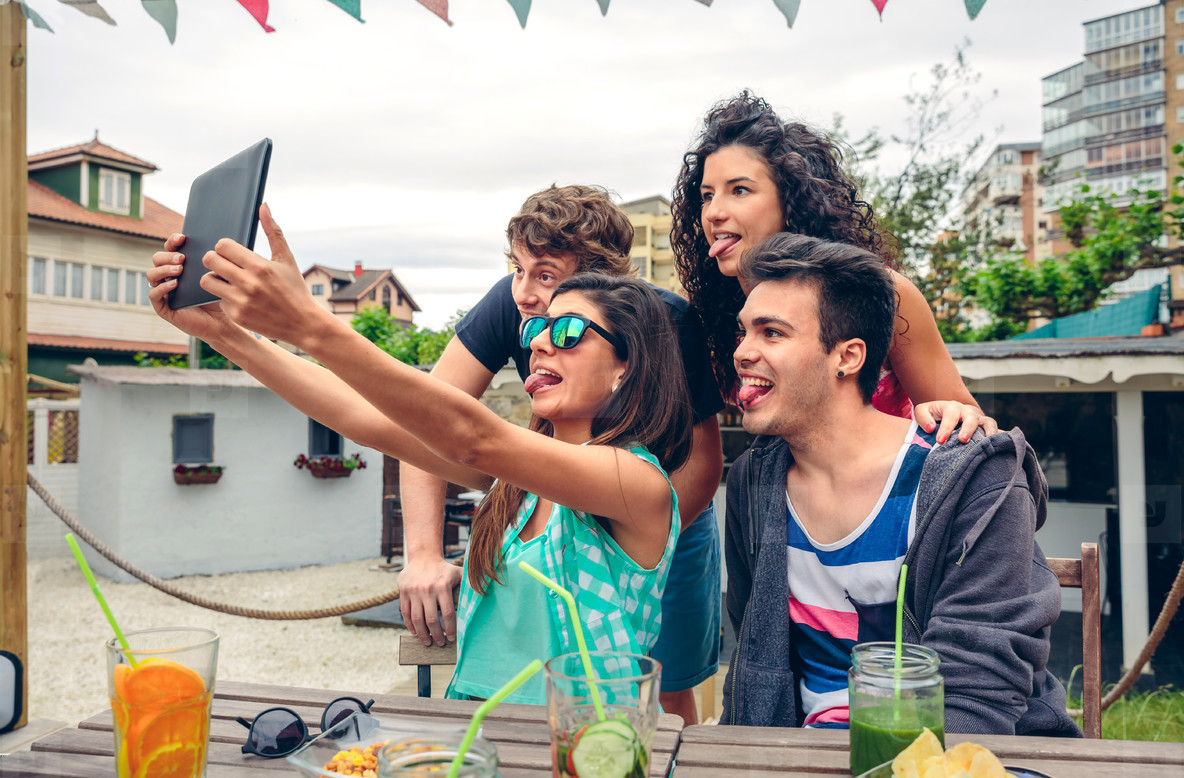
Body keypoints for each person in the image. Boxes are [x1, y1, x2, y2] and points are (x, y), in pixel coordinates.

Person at [148, 213, 692, 704]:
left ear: (625, 365)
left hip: (580, 750)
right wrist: (224, 334)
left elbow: (471, 435)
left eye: (568, 332)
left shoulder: (635, 483)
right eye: (536, 328)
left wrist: (308, 323)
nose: (540, 344)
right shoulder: (517, 484)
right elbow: (363, 417)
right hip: (477, 735)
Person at [719, 232, 1079, 736]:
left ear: (848, 356)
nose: (743, 352)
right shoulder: (753, 482)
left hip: (949, 755)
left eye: (772, 333)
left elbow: (977, 692)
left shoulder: (973, 477)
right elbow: (756, 659)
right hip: (799, 753)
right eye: (744, 333)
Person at [397, 185, 724, 723]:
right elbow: (428, 419)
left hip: (658, 510)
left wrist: (625, 552)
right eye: (517, 269)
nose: (524, 294)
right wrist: (425, 554)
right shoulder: (513, 300)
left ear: (597, 280)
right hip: (550, 497)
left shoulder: (665, 319)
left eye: (546, 276)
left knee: (660, 688)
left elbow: (702, 464)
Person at [671, 91, 997, 442]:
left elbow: (961, 417)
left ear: (791, 199)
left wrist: (957, 414)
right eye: (707, 195)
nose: (714, 212)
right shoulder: (715, 313)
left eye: (739, 190)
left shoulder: (883, 293)